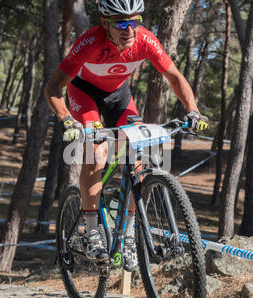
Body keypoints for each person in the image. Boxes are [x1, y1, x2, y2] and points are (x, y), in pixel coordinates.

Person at [44, 0, 208, 271]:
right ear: (105, 22)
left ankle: (129, 236)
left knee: (138, 156)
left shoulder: (145, 40)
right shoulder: (90, 42)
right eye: (121, 23)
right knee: (97, 152)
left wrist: (193, 110)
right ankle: (92, 229)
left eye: (135, 20)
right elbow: (53, 87)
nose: (129, 29)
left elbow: (175, 77)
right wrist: (67, 120)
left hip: (120, 96)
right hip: (85, 95)